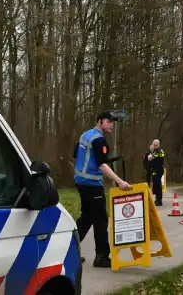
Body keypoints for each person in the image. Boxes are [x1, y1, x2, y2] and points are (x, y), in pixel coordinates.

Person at [74, 110, 131, 268]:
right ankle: (102, 257)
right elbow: (101, 164)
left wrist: (103, 161)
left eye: (113, 122)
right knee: (100, 220)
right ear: (100, 121)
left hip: (80, 181)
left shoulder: (85, 135)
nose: (112, 124)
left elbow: (78, 155)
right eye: (109, 121)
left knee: (86, 218)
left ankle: (68, 252)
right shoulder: (100, 140)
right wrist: (119, 181)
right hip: (91, 184)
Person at [144, 138, 166, 206]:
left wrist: (151, 155)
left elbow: (150, 158)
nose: (155, 146)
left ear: (159, 145)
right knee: (156, 185)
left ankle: (159, 200)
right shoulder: (154, 151)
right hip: (154, 170)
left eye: (156, 145)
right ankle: (157, 199)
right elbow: (148, 158)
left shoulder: (159, 151)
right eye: (154, 145)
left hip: (158, 170)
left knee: (157, 185)